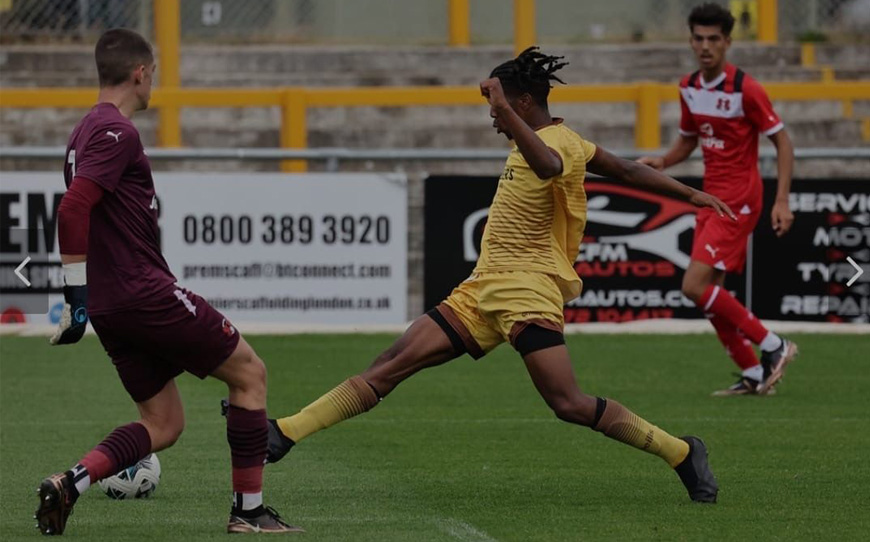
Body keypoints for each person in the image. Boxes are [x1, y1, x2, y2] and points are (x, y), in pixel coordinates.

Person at [241, 47, 735, 504]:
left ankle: (681, 452)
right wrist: (689, 193)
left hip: (528, 290)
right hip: (482, 290)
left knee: (568, 403)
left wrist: (503, 109)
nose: (493, 118)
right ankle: (283, 433)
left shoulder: (558, 142)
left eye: (498, 108)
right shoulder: (547, 142)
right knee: (390, 363)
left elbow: (549, 166)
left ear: (523, 102)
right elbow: (626, 170)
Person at [34, 29, 299, 535]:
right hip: (143, 293)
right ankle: (248, 512)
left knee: (164, 423)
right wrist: (74, 298)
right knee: (250, 374)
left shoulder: (82, 130)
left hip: (114, 306)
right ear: (140, 73)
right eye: (153, 74)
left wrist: (87, 301)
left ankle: (70, 483)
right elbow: (72, 208)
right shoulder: (117, 131)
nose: (152, 83)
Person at [638, 3, 798, 397]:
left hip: (740, 199)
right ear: (691, 41)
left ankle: (774, 345)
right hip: (709, 198)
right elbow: (689, 140)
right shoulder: (688, 87)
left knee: (693, 285)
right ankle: (754, 373)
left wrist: (782, 200)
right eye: (699, 38)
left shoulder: (746, 89)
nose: (705, 46)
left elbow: (783, 141)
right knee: (713, 294)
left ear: (727, 42)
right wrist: (664, 161)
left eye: (713, 39)